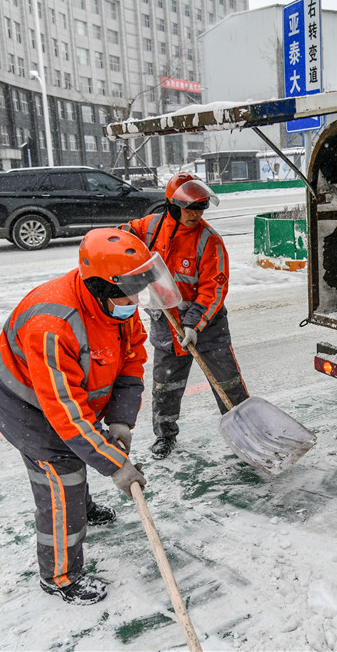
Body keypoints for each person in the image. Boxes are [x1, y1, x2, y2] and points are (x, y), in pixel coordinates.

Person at [0, 228, 173, 605]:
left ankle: (84, 508)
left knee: (83, 451)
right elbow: (66, 414)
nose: (137, 299)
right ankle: (60, 575)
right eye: (131, 290)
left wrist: (120, 421)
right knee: (62, 478)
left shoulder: (118, 308)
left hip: (70, 402)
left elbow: (132, 362)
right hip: (28, 408)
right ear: (103, 287)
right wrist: (115, 464)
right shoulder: (53, 323)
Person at [127, 173, 249, 460]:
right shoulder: (150, 228)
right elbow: (120, 238)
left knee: (227, 383)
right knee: (165, 386)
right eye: (190, 208)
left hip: (206, 326)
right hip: (165, 322)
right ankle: (165, 436)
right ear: (171, 205)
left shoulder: (210, 241)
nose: (196, 214)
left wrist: (193, 324)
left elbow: (213, 291)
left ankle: (244, 432)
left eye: (201, 208)